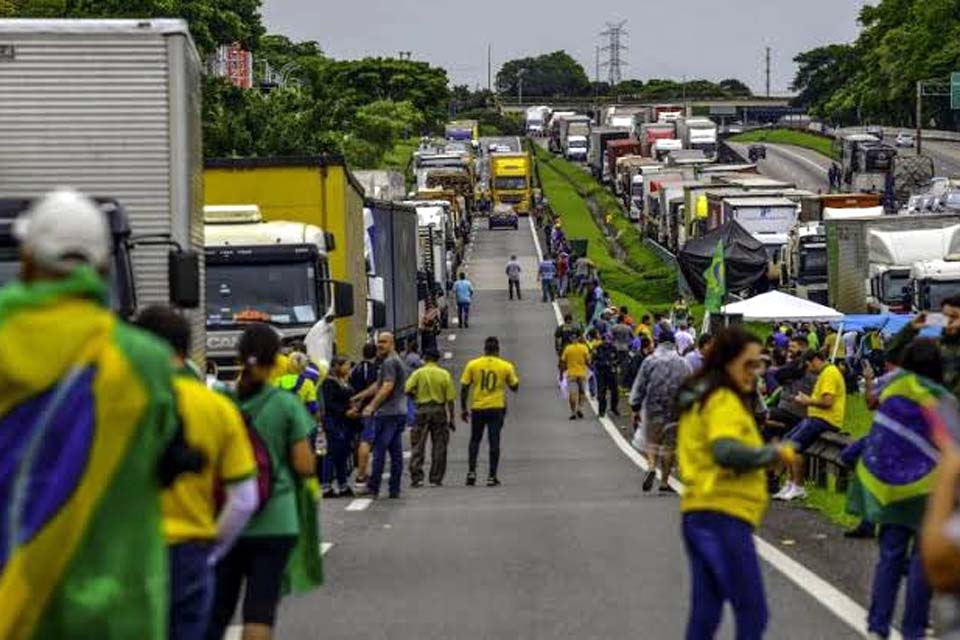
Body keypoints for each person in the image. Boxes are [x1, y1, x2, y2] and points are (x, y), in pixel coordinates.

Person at [0, 189, 190, 639]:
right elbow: (170, 457)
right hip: (115, 612)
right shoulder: (143, 360)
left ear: (27, 261)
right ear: (104, 266)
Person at [135, 306, 258, 640]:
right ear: (186, 348)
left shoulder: (108, 399)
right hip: (188, 549)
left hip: (124, 551)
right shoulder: (216, 406)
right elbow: (244, 499)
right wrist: (213, 546)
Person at [675, 326, 798, 640]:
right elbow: (725, 450)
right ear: (726, 361)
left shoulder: (702, 396)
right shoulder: (724, 400)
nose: (754, 372)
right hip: (723, 513)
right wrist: (772, 453)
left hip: (698, 510)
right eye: (747, 364)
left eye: (758, 365)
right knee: (752, 611)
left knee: (706, 612)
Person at [207, 323, 316, 640]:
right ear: (275, 360)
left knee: (216, 612)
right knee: (259, 612)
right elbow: (305, 464)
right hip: (275, 519)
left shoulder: (222, 401)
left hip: (226, 519)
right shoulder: (285, 404)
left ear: (240, 357)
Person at [844, 339, 946, 640]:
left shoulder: (892, 393)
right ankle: (914, 628)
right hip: (927, 491)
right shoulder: (941, 400)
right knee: (921, 562)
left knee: (889, 556)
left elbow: (870, 403)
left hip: (890, 488)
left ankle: (878, 625)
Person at [775, 350, 846, 501]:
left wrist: (808, 401)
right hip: (815, 418)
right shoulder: (826, 373)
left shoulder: (829, 374)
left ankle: (798, 486)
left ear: (814, 360)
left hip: (825, 419)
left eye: (808, 365)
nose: (808, 369)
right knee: (786, 443)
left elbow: (828, 402)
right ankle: (790, 483)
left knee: (794, 446)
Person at [630, 327, 692, 492]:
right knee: (669, 446)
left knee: (652, 441)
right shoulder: (683, 362)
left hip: (653, 407)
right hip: (674, 409)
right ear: (674, 343)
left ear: (658, 343)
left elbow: (640, 384)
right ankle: (664, 482)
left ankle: (651, 467)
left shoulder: (650, 360)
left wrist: (635, 406)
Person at [354, 332, 408, 499]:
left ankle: (374, 486)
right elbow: (377, 385)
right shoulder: (395, 360)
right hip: (399, 412)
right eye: (379, 342)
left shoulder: (389, 362)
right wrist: (359, 397)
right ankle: (394, 489)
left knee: (379, 451)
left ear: (392, 343)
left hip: (387, 414)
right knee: (396, 451)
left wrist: (371, 406)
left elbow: (386, 386)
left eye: (384, 342)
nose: (380, 345)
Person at [460, 336, 520, 486]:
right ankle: (492, 476)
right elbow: (514, 387)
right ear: (498, 350)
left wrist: (463, 408)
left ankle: (471, 472)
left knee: (475, 440)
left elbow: (464, 387)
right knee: (494, 441)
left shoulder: (473, 364)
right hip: (496, 407)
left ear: (484, 349)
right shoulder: (505, 366)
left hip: (478, 407)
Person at [405, 348, 457, 487]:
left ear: (425, 358)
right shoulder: (444, 374)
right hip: (439, 410)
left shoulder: (418, 373)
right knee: (440, 445)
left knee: (418, 444)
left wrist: (416, 398)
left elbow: (407, 389)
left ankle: (417, 477)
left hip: (421, 410)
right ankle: (436, 478)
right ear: (437, 359)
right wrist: (451, 418)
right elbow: (450, 399)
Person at [888, 297, 960, 397]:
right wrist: (910, 329)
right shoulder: (932, 347)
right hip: (939, 408)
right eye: (944, 317)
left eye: (954, 317)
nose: (948, 321)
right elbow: (892, 356)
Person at [321, 355, 358, 498]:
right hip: (334, 422)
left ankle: (343, 484)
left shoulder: (345, 381)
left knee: (343, 454)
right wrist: (345, 411)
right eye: (346, 365)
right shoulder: (329, 383)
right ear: (337, 366)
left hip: (345, 422)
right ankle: (326, 486)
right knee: (331, 454)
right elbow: (330, 404)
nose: (348, 368)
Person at [349, 343, 380, 485]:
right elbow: (376, 388)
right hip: (372, 409)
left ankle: (359, 468)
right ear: (376, 353)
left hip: (357, 409)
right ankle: (363, 473)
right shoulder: (378, 369)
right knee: (367, 442)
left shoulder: (355, 369)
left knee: (359, 440)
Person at [560, 333, 592, 420]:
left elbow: (562, 361)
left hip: (571, 374)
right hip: (582, 374)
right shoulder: (584, 347)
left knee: (572, 393)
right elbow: (588, 361)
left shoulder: (567, 348)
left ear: (571, 339)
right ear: (578, 339)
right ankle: (579, 408)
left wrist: (562, 374)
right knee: (582, 392)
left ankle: (573, 412)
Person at [593, 333, 620, 418]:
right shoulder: (598, 348)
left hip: (612, 372)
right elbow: (594, 360)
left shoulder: (613, 348)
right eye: (605, 340)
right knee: (601, 393)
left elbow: (618, 359)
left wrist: (615, 363)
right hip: (601, 373)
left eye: (608, 340)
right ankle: (601, 411)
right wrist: (603, 363)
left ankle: (614, 407)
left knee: (615, 392)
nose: (607, 342)